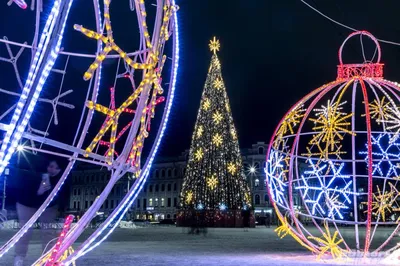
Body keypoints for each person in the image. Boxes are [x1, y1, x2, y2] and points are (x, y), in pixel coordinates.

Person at [14, 159, 63, 266]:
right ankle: (19, 257)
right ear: (46, 166)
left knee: (48, 231)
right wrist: (38, 191)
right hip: (26, 203)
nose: (53, 170)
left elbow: (63, 196)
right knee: (24, 231)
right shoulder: (33, 174)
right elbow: (22, 190)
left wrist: (61, 213)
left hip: (49, 206)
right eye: (51, 166)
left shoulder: (62, 178)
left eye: (57, 168)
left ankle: (47, 258)